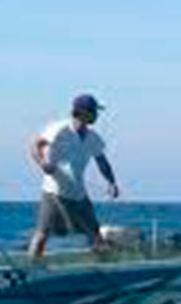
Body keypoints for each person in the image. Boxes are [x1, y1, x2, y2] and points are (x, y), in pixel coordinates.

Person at [28, 94, 120, 258]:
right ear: (82, 112)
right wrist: (42, 163)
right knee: (42, 233)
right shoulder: (59, 130)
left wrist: (112, 183)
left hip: (78, 194)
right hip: (54, 192)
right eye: (93, 111)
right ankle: (32, 268)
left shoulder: (93, 137)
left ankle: (103, 267)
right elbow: (35, 145)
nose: (96, 116)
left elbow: (102, 161)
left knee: (94, 233)